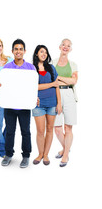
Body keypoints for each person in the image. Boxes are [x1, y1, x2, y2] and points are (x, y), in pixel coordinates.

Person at [1, 39, 36, 168]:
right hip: (9, 105)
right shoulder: (7, 67)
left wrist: (34, 98)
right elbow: (3, 86)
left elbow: (33, 87)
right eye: (16, 49)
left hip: (25, 105)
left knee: (25, 131)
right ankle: (8, 154)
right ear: (12, 51)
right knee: (10, 131)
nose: (18, 51)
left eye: (21, 49)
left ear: (24, 51)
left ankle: (26, 156)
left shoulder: (31, 68)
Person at [31, 45, 61, 166]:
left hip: (52, 103)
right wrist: (51, 84)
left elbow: (57, 86)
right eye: (41, 51)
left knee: (49, 129)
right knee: (40, 131)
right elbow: (33, 87)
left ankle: (46, 154)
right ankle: (40, 153)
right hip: (38, 104)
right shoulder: (32, 69)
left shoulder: (51, 68)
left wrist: (59, 103)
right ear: (36, 54)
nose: (44, 54)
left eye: (46, 52)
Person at [53, 39, 78, 167]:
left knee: (68, 127)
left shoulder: (73, 64)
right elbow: (52, 81)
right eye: (64, 44)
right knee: (57, 129)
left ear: (70, 49)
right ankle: (66, 148)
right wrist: (64, 80)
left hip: (69, 95)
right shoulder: (53, 63)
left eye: (69, 46)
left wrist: (59, 78)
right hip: (55, 95)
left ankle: (66, 154)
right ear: (59, 46)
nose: (66, 47)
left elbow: (73, 81)